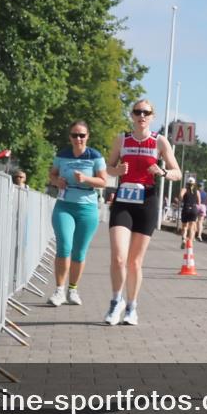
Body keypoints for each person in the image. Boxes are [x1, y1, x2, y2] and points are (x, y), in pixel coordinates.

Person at [103, 99, 181, 326]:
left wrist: (163, 171)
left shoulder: (159, 141)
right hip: (123, 201)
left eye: (146, 112)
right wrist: (116, 170)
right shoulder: (122, 139)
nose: (141, 115)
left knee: (135, 262)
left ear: (152, 116)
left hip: (146, 201)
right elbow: (108, 167)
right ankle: (115, 301)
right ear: (132, 115)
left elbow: (177, 172)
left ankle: (132, 306)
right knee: (118, 257)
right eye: (137, 111)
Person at [47, 121, 108, 307]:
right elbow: (52, 175)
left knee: (79, 252)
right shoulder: (62, 155)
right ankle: (59, 290)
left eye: (82, 135)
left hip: (87, 208)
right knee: (64, 246)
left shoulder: (95, 156)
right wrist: (58, 182)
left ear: (87, 136)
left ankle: (72, 289)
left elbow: (103, 181)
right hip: (64, 205)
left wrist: (87, 179)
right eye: (74, 135)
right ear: (70, 137)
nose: (78, 139)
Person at [179, 177, 200, 248]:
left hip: (186, 208)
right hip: (194, 209)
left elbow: (180, 196)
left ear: (187, 183)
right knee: (191, 227)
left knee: (184, 226)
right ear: (194, 184)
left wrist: (183, 200)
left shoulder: (184, 189)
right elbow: (199, 202)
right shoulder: (197, 191)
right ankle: (190, 242)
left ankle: (184, 239)